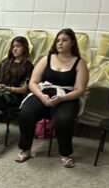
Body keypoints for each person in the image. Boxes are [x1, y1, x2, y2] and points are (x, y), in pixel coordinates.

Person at [15, 28, 89, 167]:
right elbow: (33, 82)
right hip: (43, 92)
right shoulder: (46, 59)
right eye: (58, 40)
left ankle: (65, 153)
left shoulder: (79, 63)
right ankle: (25, 149)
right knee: (26, 113)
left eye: (64, 40)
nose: (60, 43)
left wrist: (62, 99)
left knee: (63, 119)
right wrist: (41, 95)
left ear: (72, 43)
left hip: (66, 96)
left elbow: (80, 90)